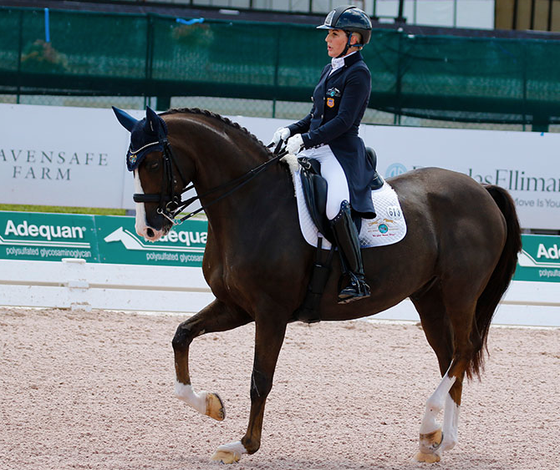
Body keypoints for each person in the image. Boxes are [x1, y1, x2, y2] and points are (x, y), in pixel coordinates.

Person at [271, 5, 375, 304]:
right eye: (328, 34)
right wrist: (291, 130)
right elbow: (316, 115)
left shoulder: (358, 73)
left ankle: (357, 278)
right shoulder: (331, 68)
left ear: (354, 39)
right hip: (317, 147)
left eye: (334, 34)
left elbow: (342, 122)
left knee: (334, 208)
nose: (327, 40)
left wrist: (305, 140)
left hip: (339, 153)